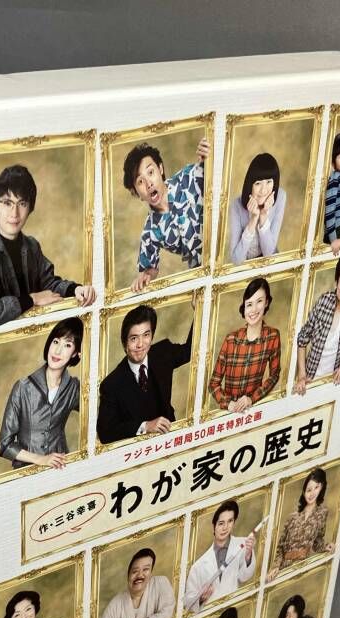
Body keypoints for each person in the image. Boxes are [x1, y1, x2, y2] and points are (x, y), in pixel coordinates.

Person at [0, 165, 97, 332]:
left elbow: (48, 283)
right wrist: (31, 299)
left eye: (22, 203)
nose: (14, 213)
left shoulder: (31, 246)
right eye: (7, 203)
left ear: (30, 209)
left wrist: (76, 289)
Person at [96, 301, 194, 444]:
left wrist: (199, 308)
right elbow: (106, 433)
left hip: (171, 440)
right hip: (139, 450)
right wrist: (145, 426)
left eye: (146, 335)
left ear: (152, 336)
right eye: (134, 338)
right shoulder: (111, 384)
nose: (140, 344)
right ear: (124, 343)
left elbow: (190, 350)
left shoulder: (163, 352)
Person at [123, 137, 210, 292]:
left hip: (223, 251)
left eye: (150, 172)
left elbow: (214, 172)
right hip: (200, 275)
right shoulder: (150, 232)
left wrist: (210, 157)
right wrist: (145, 277)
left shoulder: (188, 178)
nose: (148, 184)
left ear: (160, 169)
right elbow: (150, 268)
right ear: (136, 193)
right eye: (140, 182)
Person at [0, 317, 83, 470]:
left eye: (67, 345)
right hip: (27, 471)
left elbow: (99, 412)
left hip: (61, 467)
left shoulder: (74, 388)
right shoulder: (23, 387)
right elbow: (5, 445)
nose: (57, 351)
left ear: (76, 353)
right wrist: (41, 459)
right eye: (56, 342)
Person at [293, 247, 340, 394]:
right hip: (311, 377)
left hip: (335, 380)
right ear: (336, 280)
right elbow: (302, 339)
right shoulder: (324, 301)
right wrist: (302, 375)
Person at [207, 277, 282, 413]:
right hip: (230, 412)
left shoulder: (273, 336)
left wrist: (252, 399)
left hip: (253, 408)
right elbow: (213, 384)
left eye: (259, 301)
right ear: (244, 307)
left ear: (266, 302)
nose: (254, 309)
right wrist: (228, 404)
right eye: (249, 304)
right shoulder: (231, 340)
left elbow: (274, 375)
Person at [91, 548, 176, 618]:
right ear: (128, 576)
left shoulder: (160, 583)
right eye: (135, 571)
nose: (140, 575)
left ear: (151, 573)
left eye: (145, 569)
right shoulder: (116, 603)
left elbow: (168, 613)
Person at [182, 500, 258, 613]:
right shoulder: (198, 566)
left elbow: (244, 577)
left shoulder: (243, 545)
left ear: (234, 522)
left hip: (233, 612)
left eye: (230, 521)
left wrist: (248, 555)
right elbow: (188, 604)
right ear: (214, 526)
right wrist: (201, 598)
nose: (225, 528)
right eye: (221, 523)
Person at [267, 467, 337, 581]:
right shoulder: (292, 517)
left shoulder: (322, 513)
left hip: (301, 567)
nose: (312, 493)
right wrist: (275, 567)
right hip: (283, 569)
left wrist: (326, 547)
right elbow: (280, 548)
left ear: (321, 487)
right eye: (309, 490)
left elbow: (317, 541)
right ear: (304, 492)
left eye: (316, 488)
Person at [227, 152, 287, 263]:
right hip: (246, 266)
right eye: (258, 183)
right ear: (250, 184)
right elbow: (236, 260)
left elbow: (269, 254)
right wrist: (253, 220)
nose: (263, 190)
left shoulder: (280, 197)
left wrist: (263, 215)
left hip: (270, 264)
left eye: (269, 182)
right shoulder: (236, 206)